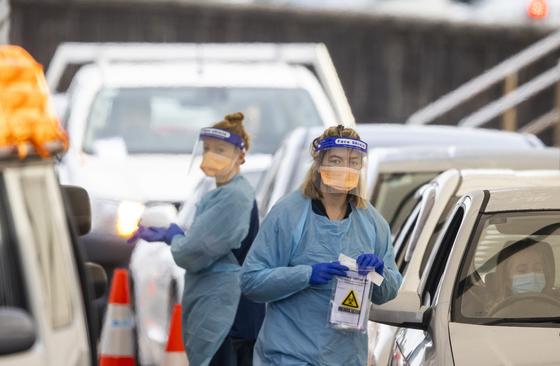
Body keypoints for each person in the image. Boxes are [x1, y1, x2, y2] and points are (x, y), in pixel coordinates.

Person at [240, 125, 402, 365]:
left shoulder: (372, 223)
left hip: (345, 357)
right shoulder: (289, 214)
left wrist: (380, 273)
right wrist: (306, 274)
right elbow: (251, 280)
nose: (345, 169)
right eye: (335, 160)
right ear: (318, 164)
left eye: (353, 162)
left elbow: (387, 291)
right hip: (289, 355)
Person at [134, 112, 260, 366]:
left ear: (240, 156)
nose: (212, 155)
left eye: (221, 150)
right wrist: (175, 236)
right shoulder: (223, 193)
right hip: (219, 305)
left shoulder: (234, 196)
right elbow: (206, 241)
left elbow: (197, 250)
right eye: (208, 149)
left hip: (226, 308)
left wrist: (176, 238)